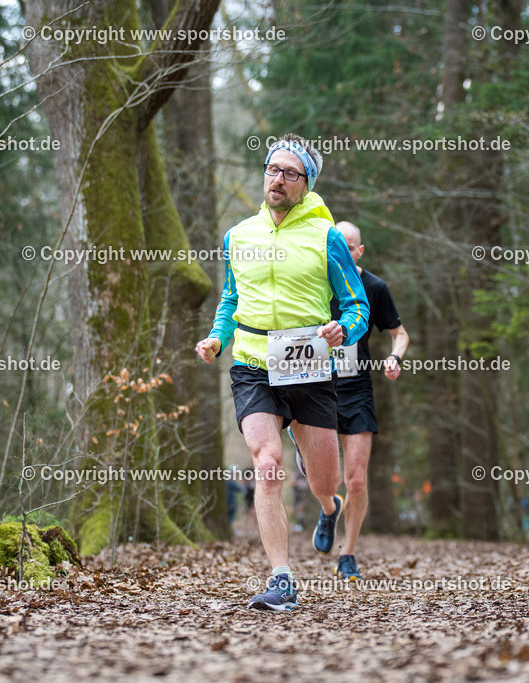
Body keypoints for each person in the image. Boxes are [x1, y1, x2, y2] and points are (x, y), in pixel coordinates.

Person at [195, 134, 369, 611]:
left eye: (291, 173)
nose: (278, 178)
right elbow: (231, 300)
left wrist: (343, 330)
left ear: (306, 184)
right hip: (252, 365)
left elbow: (357, 305)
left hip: (309, 365)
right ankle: (281, 578)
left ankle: (329, 510)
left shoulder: (327, 236)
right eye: (273, 169)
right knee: (266, 464)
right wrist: (217, 338)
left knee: (323, 480)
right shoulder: (238, 236)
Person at [291, 221, 409, 581]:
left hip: (356, 391)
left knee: (356, 480)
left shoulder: (374, 287)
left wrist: (395, 357)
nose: (339, 251)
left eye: (349, 246)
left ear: (358, 251)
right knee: (320, 476)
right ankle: (329, 508)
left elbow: (399, 334)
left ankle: (349, 554)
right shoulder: (315, 282)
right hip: (315, 386)